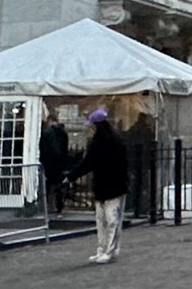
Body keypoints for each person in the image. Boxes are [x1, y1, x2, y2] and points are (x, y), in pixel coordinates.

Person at [74, 108, 129, 265]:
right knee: (106, 220)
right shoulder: (114, 141)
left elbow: (87, 163)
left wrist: (72, 176)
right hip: (112, 185)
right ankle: (105, 249)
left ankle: (107, 250)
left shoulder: (103, 143)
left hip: (108, 185)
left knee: (108, 220)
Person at [37, 116, 72, 216]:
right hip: (60, 164)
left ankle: (44, 208)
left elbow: (43, 148)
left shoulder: (47, 133)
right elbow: (65, 149)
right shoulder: (64, 133)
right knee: (59, 187)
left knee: (46, 187)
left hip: (48, 164)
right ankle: (59, 209)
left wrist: (42, 161)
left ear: (50, 121)